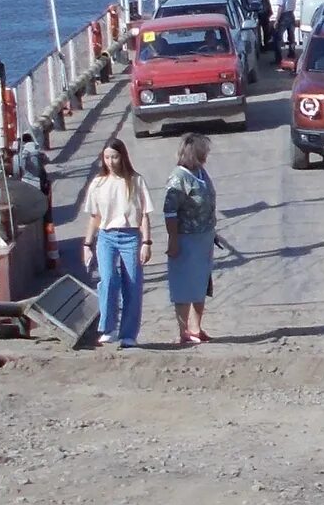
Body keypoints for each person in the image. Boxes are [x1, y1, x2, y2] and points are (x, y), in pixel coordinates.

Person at [79, 137, 154, 349]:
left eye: (114, 157)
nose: (111, 161)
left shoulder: (135, 181)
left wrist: (146, 242)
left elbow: (144, 215)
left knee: (132, 283)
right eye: (107, 157)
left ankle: (129, 334)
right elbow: (94, 217)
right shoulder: (98, 183)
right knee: (109, 279)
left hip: (130, 235)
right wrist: (87, 245)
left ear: (122, 157)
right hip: (106, 236)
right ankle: (108, 327)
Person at [162, 133, 219, 346]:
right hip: (186, 239)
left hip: (204, 237)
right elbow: (169, 212)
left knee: (201, 284)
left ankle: (196, 327)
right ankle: (183, 330)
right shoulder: (179, 177)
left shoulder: (201, 172)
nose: (207, 154)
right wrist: (173, 239)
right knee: (184, 286)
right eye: (204, 150)